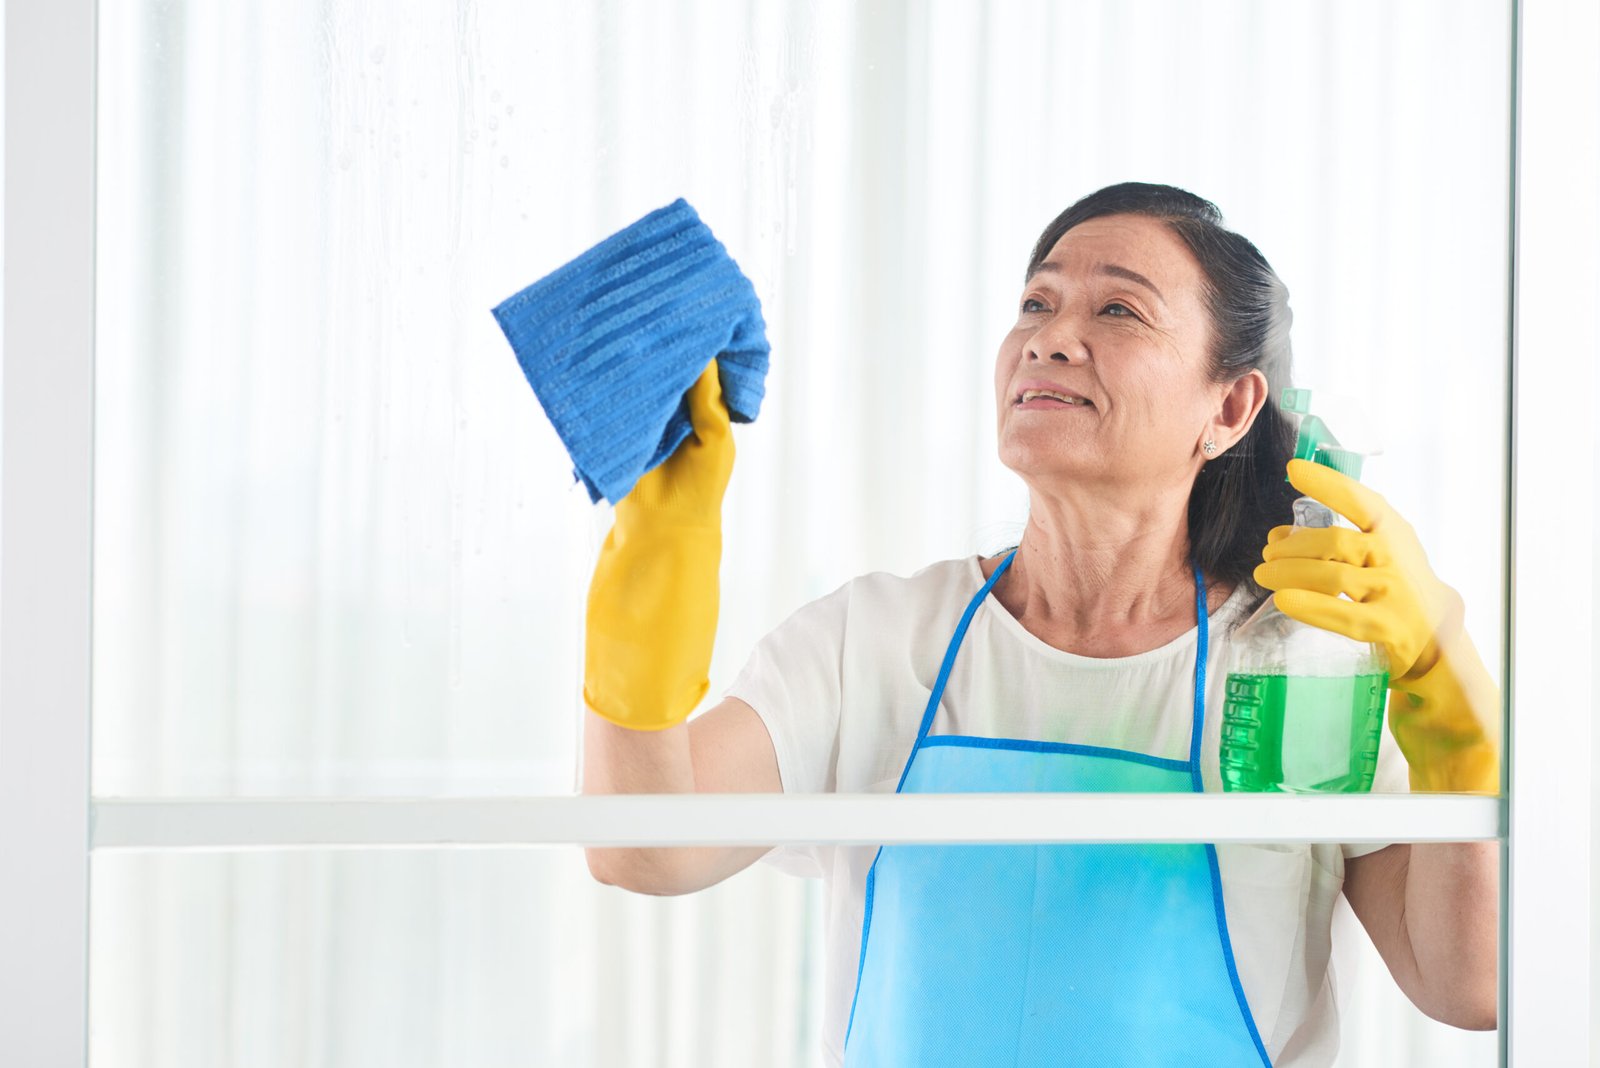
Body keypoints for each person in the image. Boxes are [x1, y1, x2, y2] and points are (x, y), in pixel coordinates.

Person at [580, 182, 1501, 1067]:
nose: (1051, 338)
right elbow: (645, 846)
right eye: (1035, 302)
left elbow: (1469, 986)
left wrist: (1443, 681)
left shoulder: (1297, 672)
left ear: (1227, 409)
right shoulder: (876, 644)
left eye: (1119, 312)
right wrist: (655, 564)